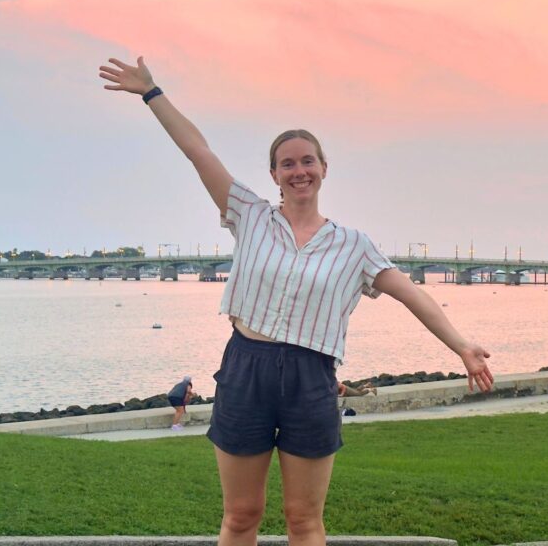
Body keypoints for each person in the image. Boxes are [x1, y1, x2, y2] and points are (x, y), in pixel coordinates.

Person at [100, 56, 494, 546]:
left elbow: (412, 295)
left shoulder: (354, 244)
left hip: (311, 377)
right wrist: (151, 93)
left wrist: (462, 346)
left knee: (303, 521)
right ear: (274, 174)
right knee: (241, 515)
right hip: (247, 367)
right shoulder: (251, 216)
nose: (299, 170)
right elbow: (198, 151)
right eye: (287, 163)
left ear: (324, 169)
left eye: (308, 160)